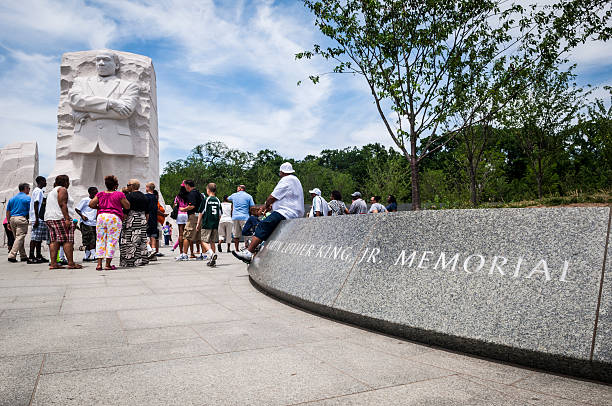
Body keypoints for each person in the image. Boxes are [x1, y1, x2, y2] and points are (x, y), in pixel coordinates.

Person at [67, 51, 139, 195]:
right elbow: (75, 100)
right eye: (98, 60)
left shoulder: (128, 86)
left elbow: (125, 111)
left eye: (106, 60)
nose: (101, 63)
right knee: (80, 187)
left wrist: (89, 113)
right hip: (85, 137)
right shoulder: (81, 82)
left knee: (116, 186)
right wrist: (110, 102)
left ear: (116, 64)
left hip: (116, 140)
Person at [233, 162, 304, 264]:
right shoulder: (296, 180)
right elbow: (287, 198)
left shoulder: (286, 180)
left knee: (263, 224)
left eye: (280, 173)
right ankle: (258, 248)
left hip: (286, 212)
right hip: (293, 212)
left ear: (282, 172)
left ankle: (249, 252)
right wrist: (271, 206)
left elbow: (272, 197)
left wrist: (265, 206)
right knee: (272, 231)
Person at [89, 175, 129, 270]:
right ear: (115, 186)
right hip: (114, 217)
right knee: (111, 240)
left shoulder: (100, 194)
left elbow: (91, 204)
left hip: (101, 217)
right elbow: (127, 206)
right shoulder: (119, 194)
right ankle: (107, 264)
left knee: (100, 240)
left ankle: (99, 264)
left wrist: (99, 207)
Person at [45, 175, 81, 269]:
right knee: (67, 240)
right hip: (59, 217)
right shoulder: (62, 189)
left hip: (50, 218)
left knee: (54, 240)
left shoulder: (52, 191)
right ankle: (71, 263)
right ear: (65, 182)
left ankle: (53, 263)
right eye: (68, 182)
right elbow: (62, 204)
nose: (68, 184)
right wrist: (67, 219)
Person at [120, 179, 149, 267]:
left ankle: (131, 261)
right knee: (142, 240)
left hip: (132, 218)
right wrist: (146, 222)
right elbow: (147, 211)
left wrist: (122, 221)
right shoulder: (144, 196)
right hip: (143, 219)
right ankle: (143, 259)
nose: (127, 186)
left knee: (130, 240)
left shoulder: (129, 196)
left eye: (128, 185)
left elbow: (126, 210)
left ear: (132, 186)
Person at [177, 180, 204, 261]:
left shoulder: (191, 193)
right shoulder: (199, 193)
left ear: (188, 185)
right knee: (200, 237)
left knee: (187, 235)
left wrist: (183, 209)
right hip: (199, 216)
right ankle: (204, 254)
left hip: (193, 217)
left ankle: (184, 254)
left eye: (185, 186)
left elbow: (192, 206)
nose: (185, 188)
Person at [196, 183, 221, 267]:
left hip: (207, 223)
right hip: (215, 223)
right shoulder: (217, 200)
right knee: (212, 241)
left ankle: (211, 254)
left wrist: (198, 223)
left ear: (208, 190)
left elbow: (201, 212)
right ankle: (213, 260)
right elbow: (220, 214)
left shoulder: (206, 199)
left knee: (203, 240)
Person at [6, 183, 31, 263]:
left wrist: (8, 222)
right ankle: (12, 255)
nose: (29, 190)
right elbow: (31, 210)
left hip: (12, 219)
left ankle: (23, 256)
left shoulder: (12, 199)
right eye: (29, 188)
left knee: (18, 238)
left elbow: (8, 211)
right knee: (20, 237)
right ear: (25, 188)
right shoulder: (27, 198)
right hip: (21, 219)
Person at [28, 176, 49, 263]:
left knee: (39, 239)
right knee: (34, 238)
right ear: (40, 181)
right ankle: (31, 257)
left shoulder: (39, 191)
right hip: (37, 218)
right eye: (44, 181)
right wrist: (37, 218)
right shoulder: (38, 191)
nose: (46, 183)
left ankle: (38, 255)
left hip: (39, 218)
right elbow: (36, 204)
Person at [228, 184, 254, 252]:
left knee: (236, 234)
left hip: (235, 217)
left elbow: (228, 198)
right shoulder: (249, 196)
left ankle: (236, 249)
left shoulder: (234, 195)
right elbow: (252, 207)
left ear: (240, 188)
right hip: (245, 217)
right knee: (246, 233)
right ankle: (247, 247)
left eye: (237, 188)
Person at [75, 186, 98, 261]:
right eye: (94, 193)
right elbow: (77, 209)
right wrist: (82, 216)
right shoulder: (85, 200)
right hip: (86, 222)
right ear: (90, 193)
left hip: (94, 222)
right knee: (90, 238)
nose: (96, 194)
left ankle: (86, 256)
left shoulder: (97, 200)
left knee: (92, 239)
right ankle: (94, 255)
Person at [172, 183, 189, 253]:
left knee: (181, 234)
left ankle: (181, 251)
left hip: (180, 214)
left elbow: (174, 205)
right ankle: (186, 251)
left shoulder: (178, 196)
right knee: (187, 234)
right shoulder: (189, 196)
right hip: (187, 214)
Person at [144, 182, 159, 260]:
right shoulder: (155, 197)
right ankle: (153, 252)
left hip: (147, 216)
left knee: (145, 235)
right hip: (154, 218)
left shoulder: (145, 196)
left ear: (147, 187)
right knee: (153, 235)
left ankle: (149, 249)